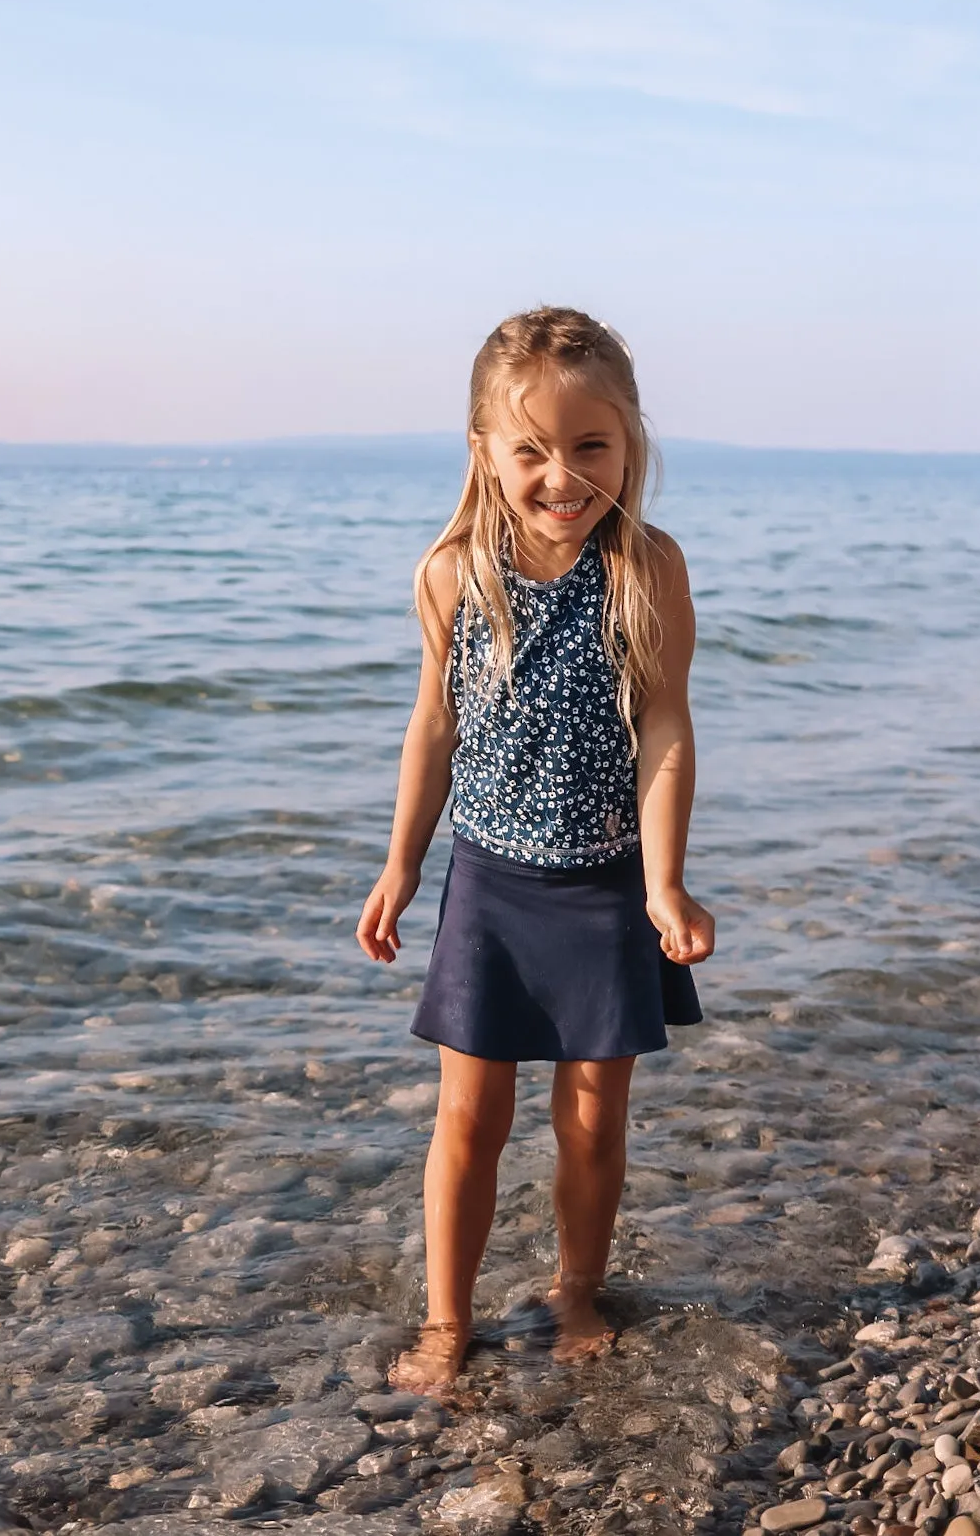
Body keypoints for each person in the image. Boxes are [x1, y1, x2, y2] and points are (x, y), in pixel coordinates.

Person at [355, 306, 715, 1394]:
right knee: (467, 1116)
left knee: (593, 1113)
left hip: (605, 881)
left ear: (629, 441)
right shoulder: (451, 573)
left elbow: (663, 724)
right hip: (491, 883)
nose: (562, 474)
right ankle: (445, 1317)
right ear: (483, 452)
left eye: (589, 445)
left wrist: (662, 880)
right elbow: (432, 724)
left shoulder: (644, 568)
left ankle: (574, 1287)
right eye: (530, 450)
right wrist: (401, 863)